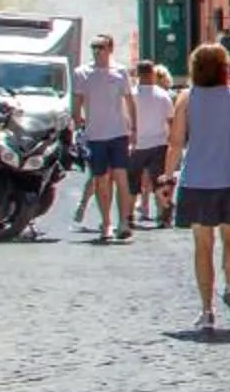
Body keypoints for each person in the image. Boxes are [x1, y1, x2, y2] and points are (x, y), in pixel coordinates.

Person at [165, 45, 230, 330]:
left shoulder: (186, 99)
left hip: (196, 179)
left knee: (202, 246)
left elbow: (176, 142)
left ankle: (207, 310)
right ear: (225, 67)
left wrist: (167, 176)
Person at [72, 35, 136, 242]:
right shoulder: (82, 73)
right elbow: (77, 101)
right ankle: (106, 222)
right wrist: (77, 122)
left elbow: (129, 99)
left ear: (110, 49)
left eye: (100, 47)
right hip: (95, 134)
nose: (96, 51)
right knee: (100, 180)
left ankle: (123, 222)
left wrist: (134, 126)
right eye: (93, 47)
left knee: (121, 177)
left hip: (118, 132)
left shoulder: (120, 72)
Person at [128, 63, 177, 230]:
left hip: (136, 144)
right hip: (159, 143)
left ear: (138, 74)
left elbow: (124, 119)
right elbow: (171, 120)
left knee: (132, 183)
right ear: (152, 74)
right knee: (159, 182)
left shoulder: (130, 95)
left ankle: (128, 216)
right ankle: (164, 215)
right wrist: (173, 141)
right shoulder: (163, 95)